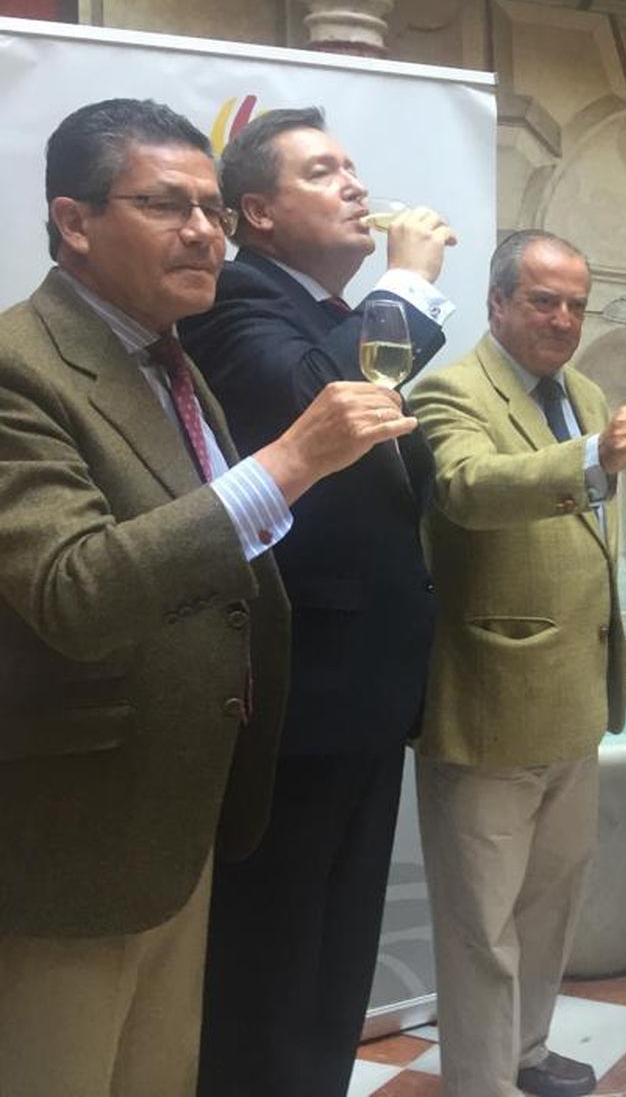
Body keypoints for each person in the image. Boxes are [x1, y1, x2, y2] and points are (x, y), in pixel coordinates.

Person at [0, 98, 415, 1096]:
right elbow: (78, 589)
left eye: (211, 210)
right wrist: (287, 462)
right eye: (164, 204)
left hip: (186, 816)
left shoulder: (171, 363)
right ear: (74, 222)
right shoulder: (20, 367)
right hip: (82, 840)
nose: (202, 231)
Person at [179, 107, 458, 1097]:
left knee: (336, 960)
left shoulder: (337, 320)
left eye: (352, 165)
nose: (354, 184)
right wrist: (412, 277)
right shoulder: (232, 300)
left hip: (368, 697)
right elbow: (310, 402)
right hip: (294, 702)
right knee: (273, 962)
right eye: (321, 171)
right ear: (255, 210)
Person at [409, 230, 626, 1097]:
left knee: (550, 900)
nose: (562, 318)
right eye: (541, 300)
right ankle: (480, 1082)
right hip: (489, 699)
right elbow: (468, 488)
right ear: (496, 303)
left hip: (574, 695)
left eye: (575, 303)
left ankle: (525, 1051)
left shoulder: (588, 390)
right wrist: (595, 455)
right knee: (481, 924)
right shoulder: (449, 390)